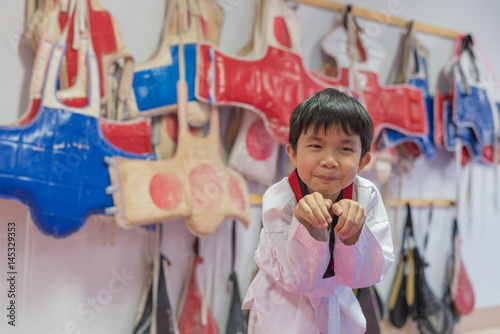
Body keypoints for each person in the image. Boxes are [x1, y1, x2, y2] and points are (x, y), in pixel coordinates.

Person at [242, 88, 394, 333]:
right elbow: (297, 281)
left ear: (363, 161)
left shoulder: (366, 196)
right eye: (316, 145)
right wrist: (309, 231)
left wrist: (354, 234)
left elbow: (364, 278)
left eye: (345, 149)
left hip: (337, 306)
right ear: (293, 153)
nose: (330, 160)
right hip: (282, 312)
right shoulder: (280, 199)